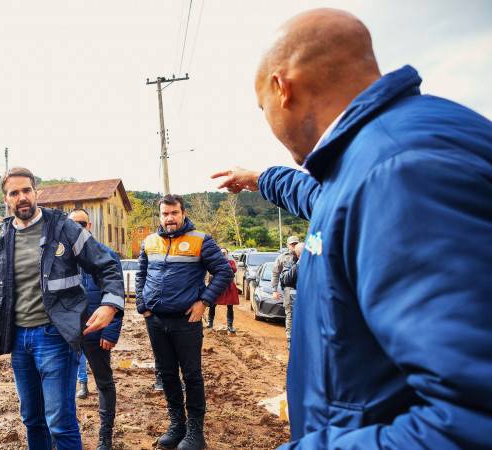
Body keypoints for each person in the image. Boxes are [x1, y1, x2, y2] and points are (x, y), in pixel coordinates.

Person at [212, 8, 492, 449]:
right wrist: (259, 178)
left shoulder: (402, 172)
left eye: (261, 106)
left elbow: (472, 417)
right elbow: (321, 201)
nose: (267, 119)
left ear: (282, 89)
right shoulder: (375, 157)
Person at [0, 167, 125, 450]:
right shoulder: (2, 239)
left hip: (55, 336)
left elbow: (106, 264)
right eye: (14, 193)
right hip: (20, 340)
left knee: (59, 422)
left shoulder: (63, 228)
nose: (21, 197)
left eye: (26, 190)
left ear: (36, 192)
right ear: (6, 200)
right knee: (32, 418)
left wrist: (110, 304)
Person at [136, 194, 233, 450]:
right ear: (160, 216)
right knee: (167, 374)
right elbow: (142, 273)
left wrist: (205, 302)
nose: (169, 218)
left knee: (191, 375)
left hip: (185, 321)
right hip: (156, 321)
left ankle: (195, 432)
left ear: (183, 213)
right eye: (165, 214)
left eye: (174, 213)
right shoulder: (149, 241)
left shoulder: (200, 240)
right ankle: (177, 424)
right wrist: (142, 305)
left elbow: (224, 271)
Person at [69, 208, 122, 450]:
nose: (77, 228)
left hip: (96, 331)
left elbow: (116, 295)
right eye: (73, 224)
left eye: (82, 223)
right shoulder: (60, 257)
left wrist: (111, 331)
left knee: (104, 382)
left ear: (89, 226)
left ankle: (105, 436)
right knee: (61, 383)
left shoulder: (106, 255)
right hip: (66, 333)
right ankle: (63, 434)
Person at [207, 248, 239, 333]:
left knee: (230, 306)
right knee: (212, 305)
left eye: (224, 253)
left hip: (228, 286)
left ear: (227, 254)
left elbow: (233, 270)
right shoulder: (215, 262)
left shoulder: (231, 262)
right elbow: (211, 272)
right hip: (217, 286)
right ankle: (210, 323)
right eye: (221, 253)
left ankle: (230, 326)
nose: (223, 254)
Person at [279, 242, 303, 349]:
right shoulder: (290, 262)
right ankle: (290, 340)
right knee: (291, 315)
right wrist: (298, 265)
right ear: (298, 254)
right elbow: (285, 279)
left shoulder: (313, 262)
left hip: (306, 294)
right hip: (292, 292)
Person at [271, 236, 299, 301]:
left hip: (303, 288)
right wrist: (274, 291)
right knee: (289, 309)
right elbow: (275, 273)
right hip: (289, 288)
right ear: (287, 245)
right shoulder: (282, 257)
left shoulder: (305, 256)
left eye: (296, 244)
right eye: (292, 244)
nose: (294, 246)